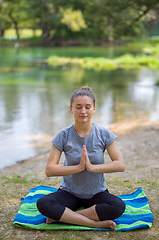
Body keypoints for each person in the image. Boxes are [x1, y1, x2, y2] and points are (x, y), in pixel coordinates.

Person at [37, 86, 125, 231]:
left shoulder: (104, 134)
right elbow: (49, 170)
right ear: (71, 109)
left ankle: (67, 216)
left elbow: (120, 164)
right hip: (69, 193)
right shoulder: (63, 136)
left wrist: (91, 167)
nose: (83, 111)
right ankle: (93, 223)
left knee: (118, 206)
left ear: (94, 109)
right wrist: (79, 168)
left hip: (97, 192)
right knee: (44, 203)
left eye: (87, 107)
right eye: (78, 107)